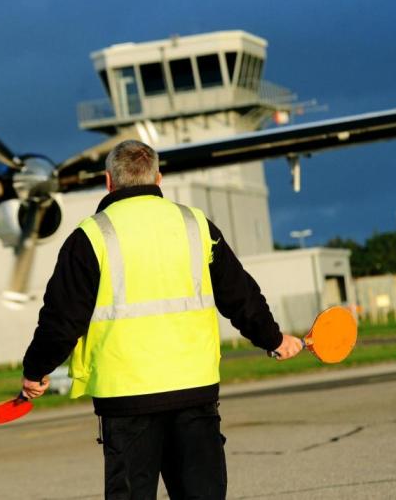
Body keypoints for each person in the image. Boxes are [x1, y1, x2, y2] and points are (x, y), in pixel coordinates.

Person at [20, 140, 302, 500]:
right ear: (158, 177)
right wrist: (273, 339)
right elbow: (239, 294)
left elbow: (62, 318)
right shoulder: (196, 226)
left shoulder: (90, 237)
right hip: (194, 392)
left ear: (109, 181)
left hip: (126, 399)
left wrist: (36, 369)